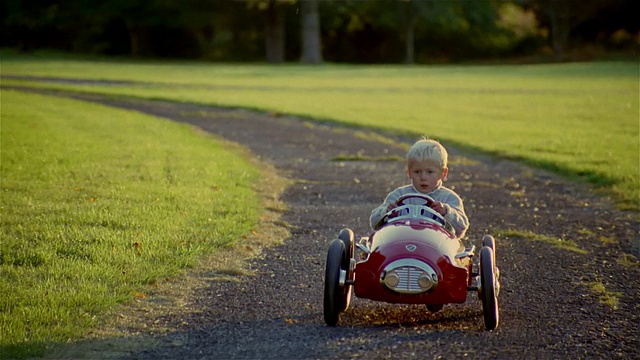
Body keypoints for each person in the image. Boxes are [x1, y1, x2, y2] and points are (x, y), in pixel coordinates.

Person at [369, 137, 469, 237]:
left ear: (443, 173)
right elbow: (374, 223)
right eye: (417, 172)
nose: (423, 177)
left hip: (436, 245)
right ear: (409, 173)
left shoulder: (449, 198)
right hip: (403, 239)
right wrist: (386, 211)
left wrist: (447, 212)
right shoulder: (399, 195)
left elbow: (462, 227)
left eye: (429, 172)